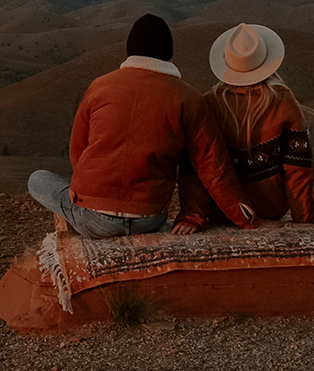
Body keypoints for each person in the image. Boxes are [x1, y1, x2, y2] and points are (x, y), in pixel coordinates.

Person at [28, 14, 259, 239]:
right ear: (169, 53)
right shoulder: (189, 98)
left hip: (94, 219)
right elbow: (213, 167)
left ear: (130, 50)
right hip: (149, 219)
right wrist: (245, 218)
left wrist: (93, 194)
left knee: (37, 178)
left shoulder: (99, 86)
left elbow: (78, 151)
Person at [173, 23, 314, 235]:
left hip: (221, 210)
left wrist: (193, 216)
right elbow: (297, 169)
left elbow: (195, 168)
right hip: (270, 209)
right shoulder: (283, 101)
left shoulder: (208, 103)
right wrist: (305, 217)